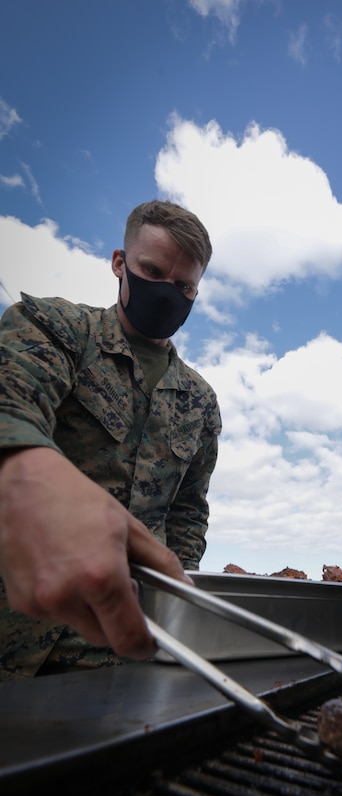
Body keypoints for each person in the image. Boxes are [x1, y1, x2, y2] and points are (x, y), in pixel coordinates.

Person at [0, 200, 221, 679]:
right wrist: (25, 467)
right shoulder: (57, 329)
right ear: (120, 263)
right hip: (16, 628)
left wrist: (176, 597)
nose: (168, 293)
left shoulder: (200, 402)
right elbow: (12, 395)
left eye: (183, 286)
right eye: (152, 271)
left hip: (122, 649)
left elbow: (188, 510)